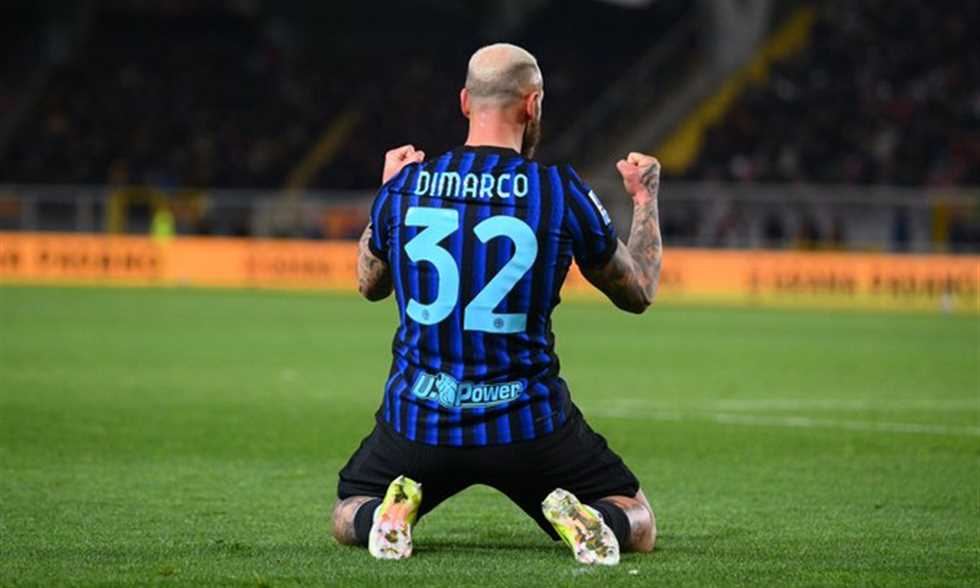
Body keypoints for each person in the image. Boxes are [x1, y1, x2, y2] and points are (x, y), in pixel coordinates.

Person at [332, 43, 663, 566]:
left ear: (465, 102)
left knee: (349, 508)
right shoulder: (559, 191)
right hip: (528, 425)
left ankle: (387, 516)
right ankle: (590, 521)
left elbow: (368, 284)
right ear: (533, 105)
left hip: (420, 421)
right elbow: (638, 290)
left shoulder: (406, 188)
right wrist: (644, 199)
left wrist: (386, 192)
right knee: (635, 516)